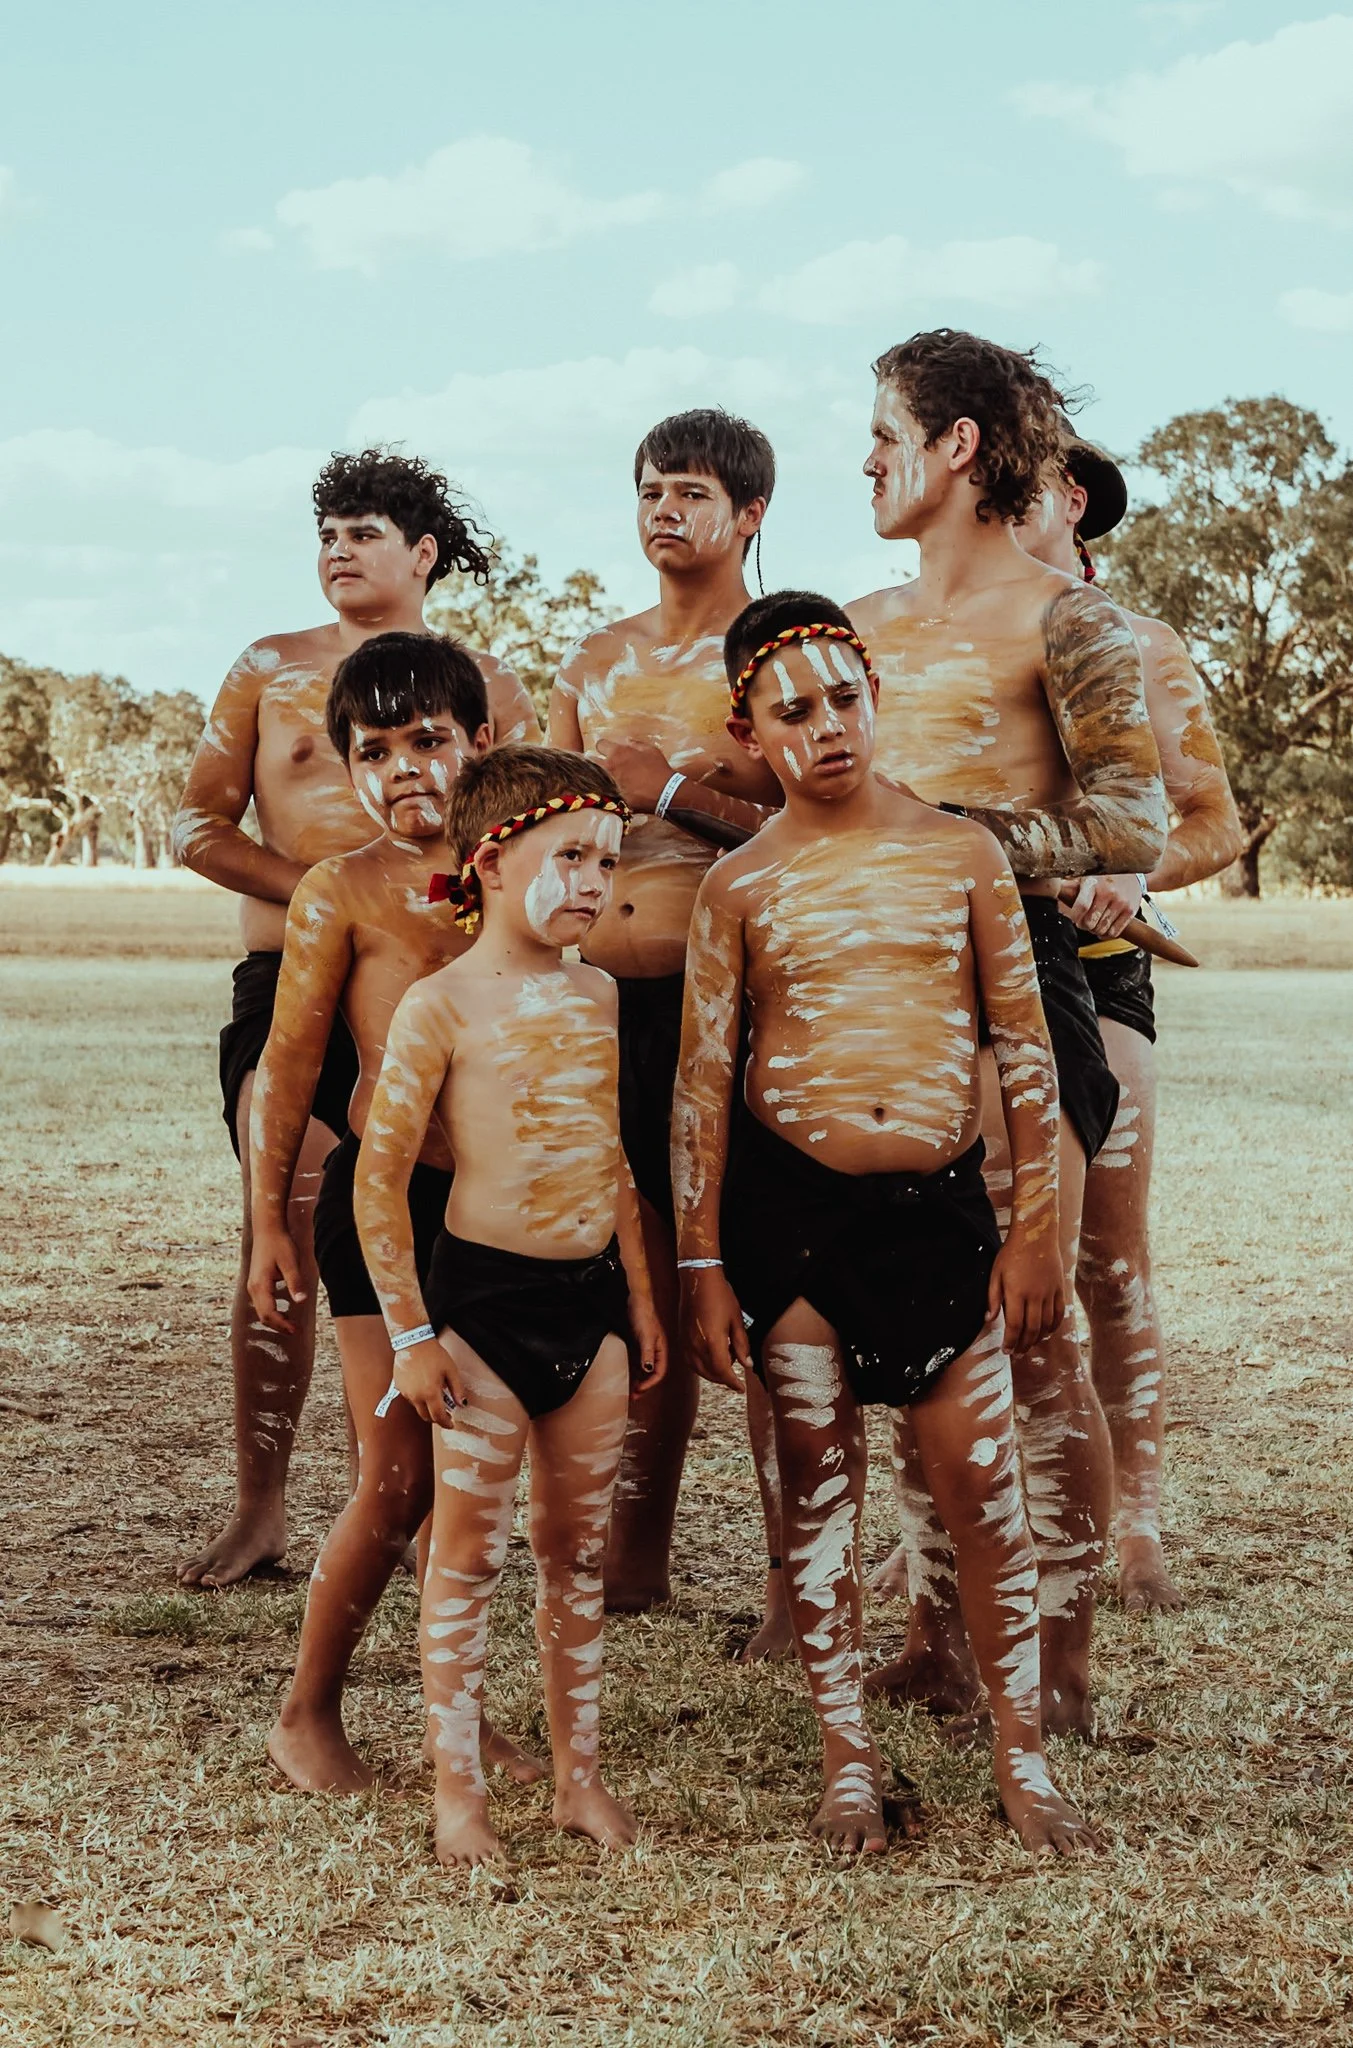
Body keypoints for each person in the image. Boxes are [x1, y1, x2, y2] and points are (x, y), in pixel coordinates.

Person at [673, 589, 1099, 1857]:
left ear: (876, 696)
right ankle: (847, 1764)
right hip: (794, 1217)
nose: (826, 728)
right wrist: (703, 1261)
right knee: (817, 1490)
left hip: (939, 1212)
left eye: (843, 699)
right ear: (749, 732)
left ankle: (1023, 1760)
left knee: (984, 1487)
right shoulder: (739, 884)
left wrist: (1036, 1230)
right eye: (792, 711)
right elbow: (702, 1083)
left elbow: (1024, 1044)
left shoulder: (962, 854)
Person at [845, 330, 1167, 1735]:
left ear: (957, 444)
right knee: (912, 1330)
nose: (866, 459)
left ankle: (1066, 1669)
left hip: (1022, 984)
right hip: (867, 988)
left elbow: (1130, 821)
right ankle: (935, 1639)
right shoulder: (852, 623)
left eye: (884, 433)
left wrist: (950, 835)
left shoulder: (1068, 619)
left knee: (1029, 1334)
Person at [173, 449, 541, 1589]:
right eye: (326, 534)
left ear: (422, 553)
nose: (337, 550)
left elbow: (535, 826)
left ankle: (414, 1498)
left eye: (364, 532)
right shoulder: (268, 667)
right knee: (286, 1204)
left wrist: (413, 913)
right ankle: (261, 1505)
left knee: (442, 1218)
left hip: (441, 987)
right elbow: (195, 826)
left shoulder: (486, 680)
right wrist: (335, 900)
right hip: (288, 975)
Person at [353, 744, 666, 1866]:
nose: (594, 880)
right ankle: (459, 1794)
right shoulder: (439, 1004)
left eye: (608, 862)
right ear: (490, 862)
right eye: (570, 855)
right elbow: (377, 1183)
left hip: (591, 1311)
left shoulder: (601, 994)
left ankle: (580, 1781)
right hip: (481, 1312)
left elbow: (611, 1159)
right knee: (468, 1555)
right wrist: (411, 1336)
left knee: (576, 1551)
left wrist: (640, 1299)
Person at [242, 633, 533, 1793]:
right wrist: (271, 1220)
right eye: (375, 750)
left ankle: (458, 1716)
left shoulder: (523, 870)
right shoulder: (342, 890)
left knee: (476, 1480)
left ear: (482, 742)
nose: (406, 767)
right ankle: (306, 1711)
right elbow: (288, 1063)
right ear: (349, 768)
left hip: (500, 1205)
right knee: (399, 1472)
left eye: (429, 739)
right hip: (386, 1205)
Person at [549, 408, 783, 1621]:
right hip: (602, 1001)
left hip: (727, 1004)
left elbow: (820, 824)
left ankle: (795, 1581)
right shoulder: (595, 660)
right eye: (650, 490)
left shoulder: (778, 652)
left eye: (691, 492)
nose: (664, 510)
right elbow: (536, 829)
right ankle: (634, 1562)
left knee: (749, 1277)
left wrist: (675, 788)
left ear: (749, 513)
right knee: (635, 1274)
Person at [1015, 427, 1243, 1611]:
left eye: (1021, 482)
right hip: (959, 971)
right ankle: (968, 1521)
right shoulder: (933, 637)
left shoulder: (1144, 644)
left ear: (1072, 499)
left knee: (1107, 1254)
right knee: (976, 1259)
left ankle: (1136, 1519)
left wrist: (1132, 872)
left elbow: (1213, 818)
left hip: (1102, 970)